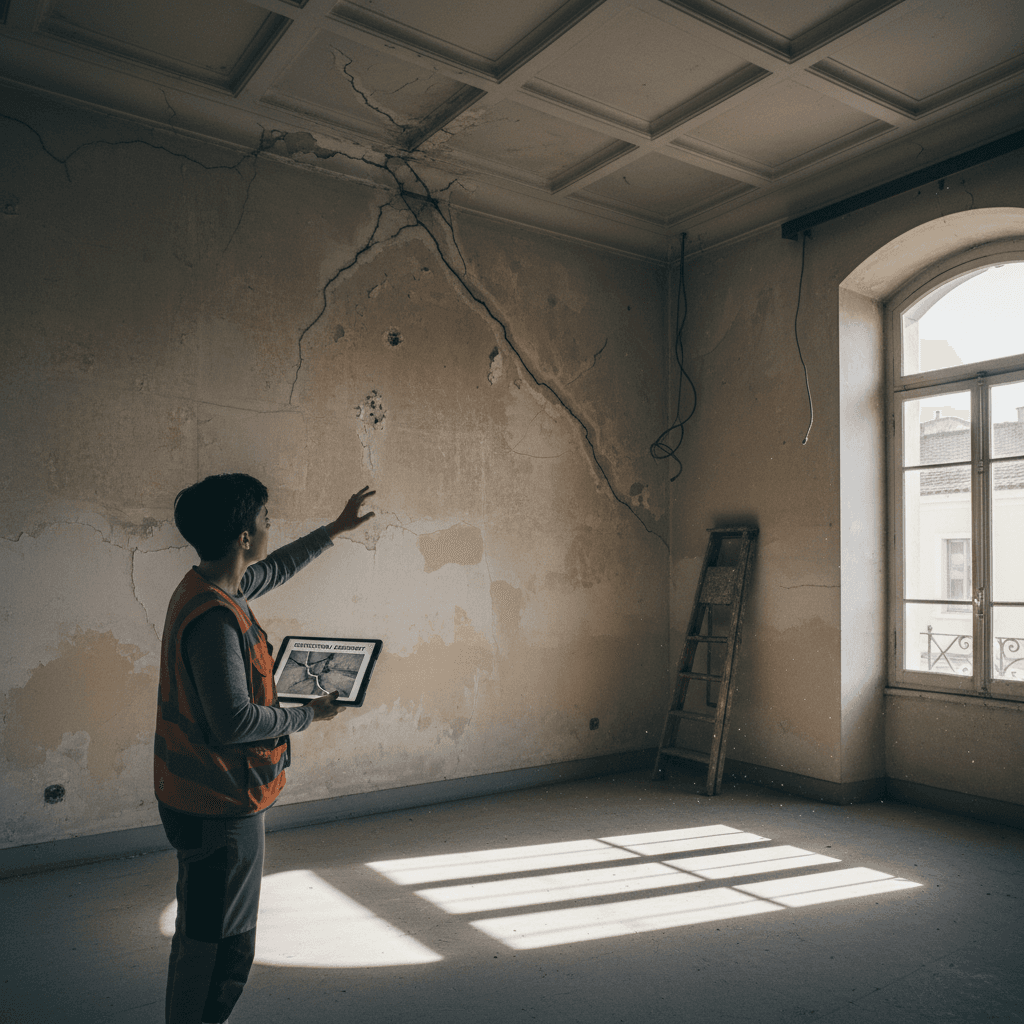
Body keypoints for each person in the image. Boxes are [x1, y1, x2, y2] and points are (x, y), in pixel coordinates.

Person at [154, 473, 375, 1024]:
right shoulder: (214, 619)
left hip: (197, 796)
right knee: (220, 947)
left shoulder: (210, 587)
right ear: (244, 538)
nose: (271, 527)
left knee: (201, 934)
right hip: (219, 804)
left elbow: (275, 570)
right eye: (267, 519)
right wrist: (309, 714)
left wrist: (335, 530)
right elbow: (233, 722)